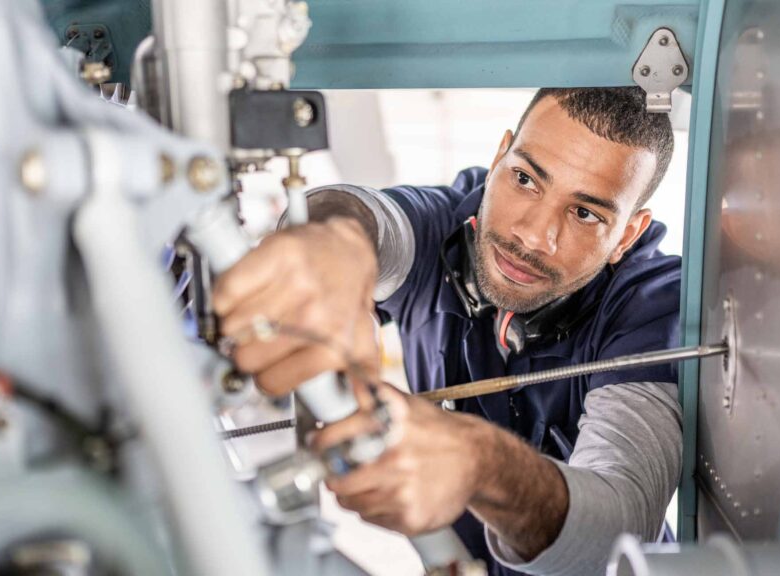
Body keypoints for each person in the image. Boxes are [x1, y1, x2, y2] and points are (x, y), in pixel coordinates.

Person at [213, 87, 681, 576]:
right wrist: (335, 243)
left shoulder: (652, 303)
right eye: (524, 179)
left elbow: (622, 527)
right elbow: (366, 216)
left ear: (626, 234)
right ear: (500, 157)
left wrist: (483, 465)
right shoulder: (448, 222)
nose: (533, 235)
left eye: (585, 213)